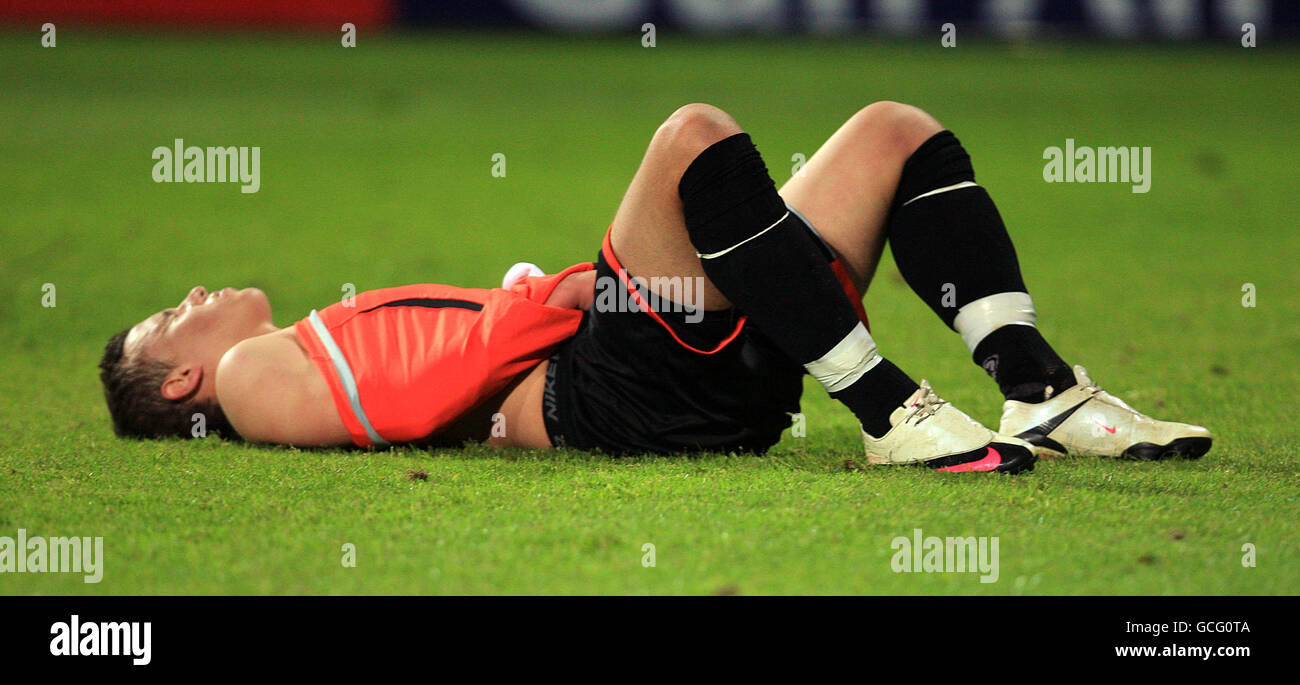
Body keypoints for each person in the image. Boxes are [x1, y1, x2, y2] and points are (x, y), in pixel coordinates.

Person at [98, 102, 1212, 474]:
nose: (190, 291)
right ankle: (888, 413)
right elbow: (402, 408)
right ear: (184, 374)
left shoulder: (298, 341)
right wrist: (540, 305)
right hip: (602, 399)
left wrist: (537, 299)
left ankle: (1039, 389)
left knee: (891, 134)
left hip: (668, 380)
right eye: (167, 315)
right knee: (690, 136)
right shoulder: (247, 373)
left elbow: (412, 373)